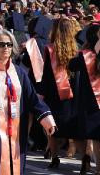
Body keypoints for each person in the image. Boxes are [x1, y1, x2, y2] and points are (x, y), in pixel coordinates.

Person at [0, 29, 57, 175]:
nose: (5, 47)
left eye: (9, 44)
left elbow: (32, 99)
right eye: (1, 44)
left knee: (15, 167)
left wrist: (48, 121)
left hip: (16, 132)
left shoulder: (20, 73)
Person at [39, 18, 84, 169]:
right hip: (74, 95)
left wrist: (41, 94)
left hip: (55, 94)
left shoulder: (51, 49)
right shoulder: (78, 48)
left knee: (53, 128)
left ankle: (54, 158)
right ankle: (85, 159)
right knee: (74, 130)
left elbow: (46, 75)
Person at [68, 23, 100, 172]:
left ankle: (85, 158)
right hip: (95, 100)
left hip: (88, 100)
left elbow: (71, 66)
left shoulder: (85, 55)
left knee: (86, 134)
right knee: (97, 136)